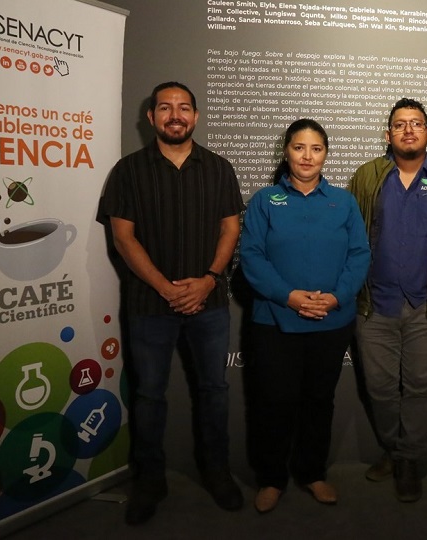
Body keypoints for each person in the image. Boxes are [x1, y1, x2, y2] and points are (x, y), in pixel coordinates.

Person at [97, 81, 245, 525]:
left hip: (211, 301)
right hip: (148, 304)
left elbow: (230, 230)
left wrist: (207, 281)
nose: (175, 115)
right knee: (148, 395)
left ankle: (217, 471)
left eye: (183, 108)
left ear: (196, 117)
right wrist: (165, 286)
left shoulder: (219, 168)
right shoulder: (128, 170)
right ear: (151, 118)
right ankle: (149, 479)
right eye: (165, 108)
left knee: (214, 391)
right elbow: (123, 237)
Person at [349, 98, 427, 502]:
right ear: (388, 134)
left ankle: (407, 462)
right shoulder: (368, 176)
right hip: (375, 305)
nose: (408, 130)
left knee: (419, 387)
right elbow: (352, 238)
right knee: (381, 389)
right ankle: (395, 449)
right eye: (400, 125)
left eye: (416, 124)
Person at [239, 119, 370, 513]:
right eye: (299, 148)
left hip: (331, 320)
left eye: (315, 148)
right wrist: (290, 297)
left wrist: (336, 298)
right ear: (286, 152)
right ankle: (272, 479)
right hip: (274, 321)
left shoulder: (344, 202)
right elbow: (251, 256)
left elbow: (359, 254)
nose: (307, 156)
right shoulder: (264, 200)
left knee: (318, 401)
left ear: (325, 154)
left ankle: (313, 472)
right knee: (274, 402)